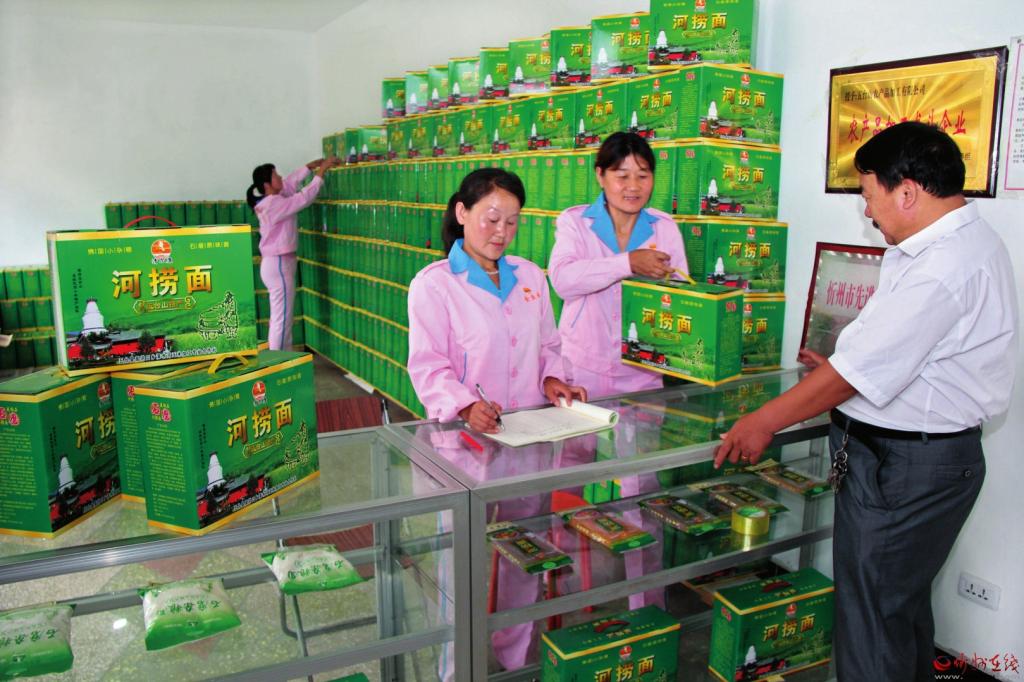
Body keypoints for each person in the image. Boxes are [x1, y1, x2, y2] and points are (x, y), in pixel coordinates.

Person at [713, 121, 1018, 682]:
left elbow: (859, 372)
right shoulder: (951, 244)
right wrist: (840, 366)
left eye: (869, 195)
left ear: (908, 192)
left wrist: (762, 421)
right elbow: (898, 355)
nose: (867, 211)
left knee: (871, 620)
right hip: (913, 459)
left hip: (906, 468)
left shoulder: (943, 267)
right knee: (896, 610)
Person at [406, 168, 586, 678]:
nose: (501, 232)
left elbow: (549, 345)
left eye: (512, 221)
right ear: (462, 213)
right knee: (457, 565)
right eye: (491, 218)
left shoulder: (529, 277)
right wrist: (465, 405)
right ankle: (453, 670)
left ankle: (514, 659)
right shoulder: (434, 285)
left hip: (527, 439)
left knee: (524, 550)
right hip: (463, 448)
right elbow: (428, 366)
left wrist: (553, 377)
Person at [548, 131, 689, 399]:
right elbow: (563, 281)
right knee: (580, 428)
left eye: (643, 176)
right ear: (600, 176)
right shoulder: (575, 222)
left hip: (644, 371)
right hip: (582, 369)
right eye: (622, 176)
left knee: (643, 428)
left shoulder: (664, 228)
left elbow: (680, 295)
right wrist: (628, 263)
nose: (633, 186)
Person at [246, 157, 338, 350]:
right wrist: (321, 173)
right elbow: (303, 198)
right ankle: (278, 360)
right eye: (275, 176)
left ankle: (281, 357)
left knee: (281, 317)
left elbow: (289, 184)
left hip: (275, 264)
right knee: (282, 319)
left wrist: (308, 168)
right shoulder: (274, 204)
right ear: (267, 185)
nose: (280, 177)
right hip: (279, 264)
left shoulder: (271, 200)